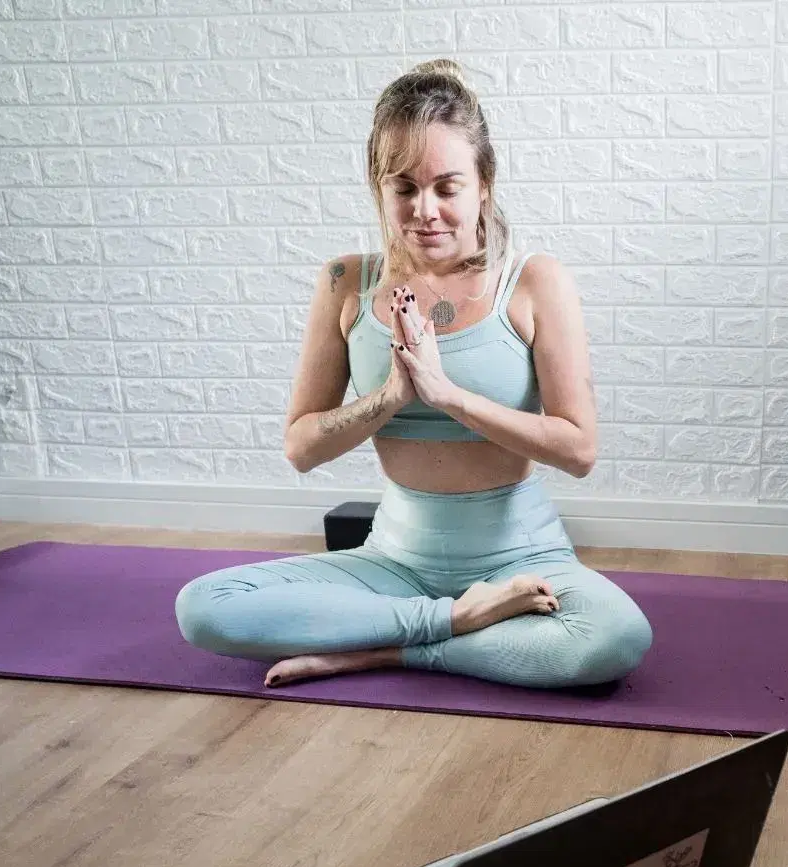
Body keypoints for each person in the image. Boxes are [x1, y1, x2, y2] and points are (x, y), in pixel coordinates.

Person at [174, 58, 652, 690]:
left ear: (483, 184)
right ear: (379, 189)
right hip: (394, 559)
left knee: (615, 638)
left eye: (446, 187)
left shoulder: (534, 282)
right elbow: (302, 447)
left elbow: (579, 449)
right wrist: (392, 396)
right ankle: (456, 620)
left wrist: (446, 395)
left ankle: (391, 647)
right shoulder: (346, 283)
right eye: (403, 188)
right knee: (203, 608)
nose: (425, 210)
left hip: (522, 557)